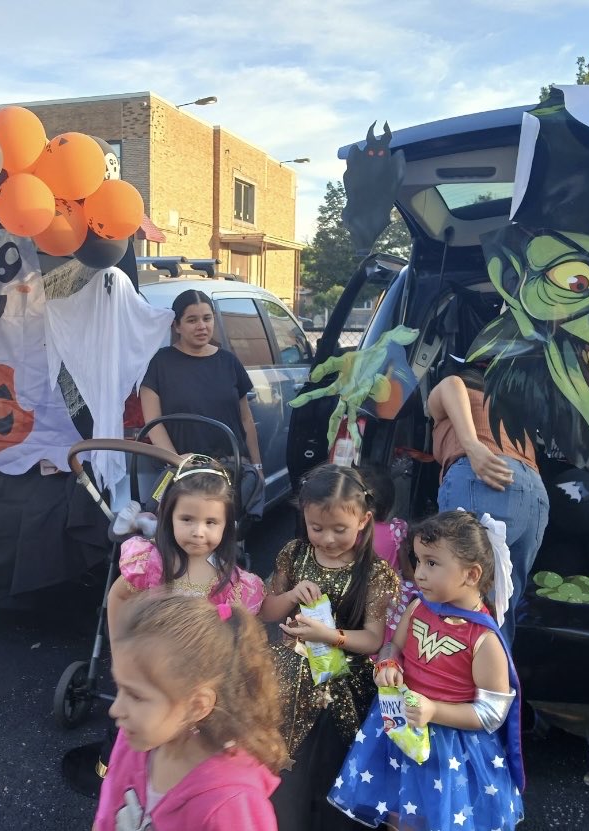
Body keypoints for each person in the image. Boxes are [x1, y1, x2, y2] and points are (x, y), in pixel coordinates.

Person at [329, 510, 525, 830]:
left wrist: (434, 710)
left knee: (435, 818)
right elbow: (395, 647)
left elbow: (491, 714)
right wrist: (390, 664)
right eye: (417, 560)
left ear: (471, 574)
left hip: (448, 750)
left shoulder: (484, 640)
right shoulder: (419, 607)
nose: (418, 573)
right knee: (397, 813)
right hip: (400, 731)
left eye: (431, 563)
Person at [260, 463, 401, 831]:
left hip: (342, 686)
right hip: (287, 678)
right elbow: (267, 610)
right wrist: (290, 594)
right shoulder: (294, 554)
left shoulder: (373, 572)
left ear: (364, 520)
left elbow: (372, 638)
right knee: (283, 769)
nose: (327, 539)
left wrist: (331, 636)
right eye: (317, 528)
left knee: (327, 768)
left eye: (340, 529)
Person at [93, 594, 285, 831]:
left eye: (136, 696)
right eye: (118, 687)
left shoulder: (230, 805)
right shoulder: (132, 741)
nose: (115, 709)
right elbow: (105, 816)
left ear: (197, 706)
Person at [429, 363, 548, 644]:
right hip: (534, 493)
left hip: (484, 482)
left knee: (461, 600)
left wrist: (471, 445)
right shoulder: (509, 409)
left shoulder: (457, 390)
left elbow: (450, 384)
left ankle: (451, 685)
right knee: (500, 609)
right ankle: (496, 686)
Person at [106, 453, 266, 627]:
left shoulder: (229, 579)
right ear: (170, 518)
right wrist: (120, 650)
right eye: (187, 519)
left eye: (210, 522)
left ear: (226, 525)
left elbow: (255, 615)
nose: (198, 532)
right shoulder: (152, 562)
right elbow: (118, 596)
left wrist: (290, 596)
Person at [139, 290, 264, 512]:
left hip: (229, 471)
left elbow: (246, 419)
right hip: (182, 476)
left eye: (207, 318)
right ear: (176, 326)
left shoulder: (229, 362)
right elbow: (154, 423)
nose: (201, 326)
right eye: (192, 320)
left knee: (229, 535)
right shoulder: (160, 364)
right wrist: (178, 463)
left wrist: (256, 465)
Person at [361, 464, 412, 644]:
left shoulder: (351, 533)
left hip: (361, 592)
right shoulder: (395, 530)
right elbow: (406, 570)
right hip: (390, 595)